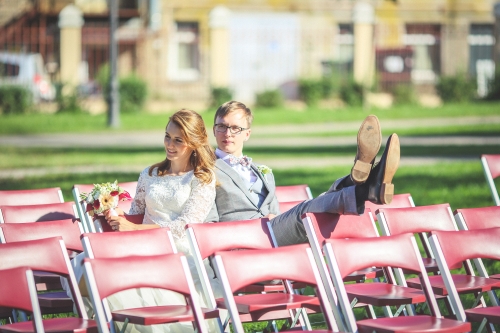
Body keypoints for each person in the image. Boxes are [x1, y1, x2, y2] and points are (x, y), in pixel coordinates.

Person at [73, 109, 221, 333]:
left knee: (113, 272)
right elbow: (136, 213)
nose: (169, 145)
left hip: (179, 252)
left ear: (193, 142)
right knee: (87, 261)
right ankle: (96, 321)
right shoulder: (150, 173)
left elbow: (184, 227)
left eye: (178, 140)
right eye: (167, 137)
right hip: (141, 243)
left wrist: (134, 228)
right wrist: (117, 215)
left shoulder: (202, 179)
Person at [204, 101, 400, 246]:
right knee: (304, 212)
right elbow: (210, 225)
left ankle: (358, 181)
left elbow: (276, 213)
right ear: (214, 130)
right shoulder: (206, 170)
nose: (227, 133)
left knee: (324, 200)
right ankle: (367, 188)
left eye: (235, 128)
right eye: (221, 126)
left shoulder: (263, 172)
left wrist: (273, 218)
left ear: (247, 134)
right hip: (243, 243)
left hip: (272, 236)